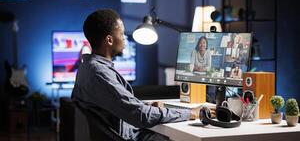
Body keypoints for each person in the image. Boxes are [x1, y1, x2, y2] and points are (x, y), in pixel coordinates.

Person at [71, 9, 214, 141]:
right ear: (109, 40)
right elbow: (140, 115)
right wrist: (192, 113)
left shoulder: (87, 67)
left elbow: (121, 104)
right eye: (121, 34)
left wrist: (146, 106)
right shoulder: (99, 73)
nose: (125, 39)